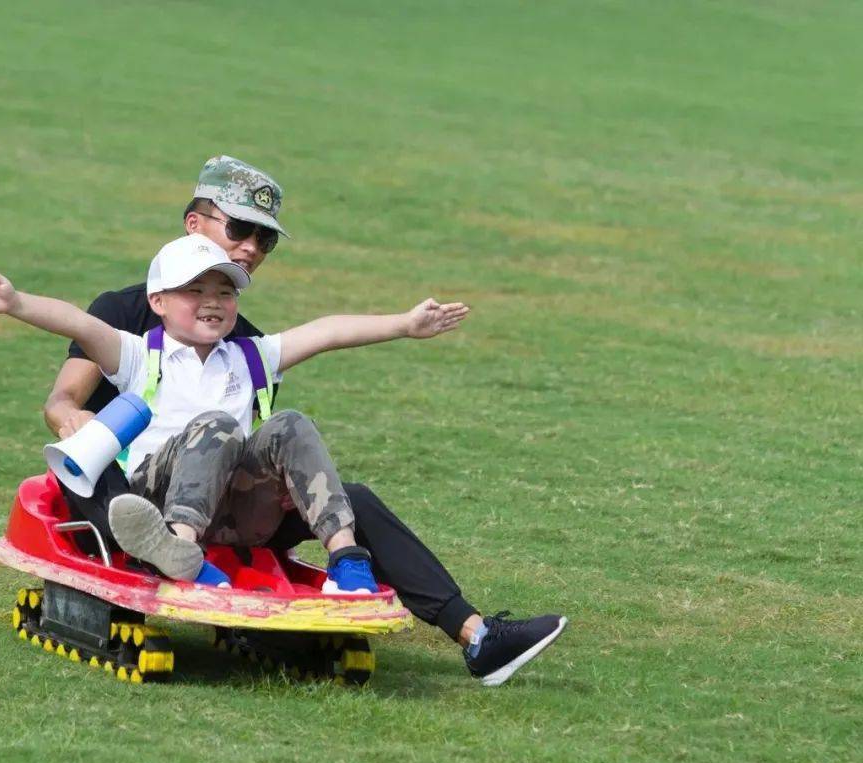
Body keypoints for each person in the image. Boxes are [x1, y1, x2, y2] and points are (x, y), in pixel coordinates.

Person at [42, 155, 567, 686]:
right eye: (240, 228)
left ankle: (476, 636)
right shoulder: (122, 316)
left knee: (351, 496)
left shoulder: (242, 342)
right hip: (122, 487)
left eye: (264, 241)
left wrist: (404, 325)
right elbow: (62, 399)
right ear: (193, 223)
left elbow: (321, 340)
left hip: (223, 499)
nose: (251, 248)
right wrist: (74, 419)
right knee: (117, 463)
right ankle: (162, 548)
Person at [0, 234, 469, 599]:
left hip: (236, 511)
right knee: (216, 425)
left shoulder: (251, 355)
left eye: (225, 292)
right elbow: (80, 324)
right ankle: (178, 550)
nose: (213, 302)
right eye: (194, 291)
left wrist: (404, 324)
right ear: (157, 300)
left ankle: (347, 557)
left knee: (289, 423)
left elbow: (328, 330)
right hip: (156, 497)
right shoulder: (137, 354)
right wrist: (16, 302)